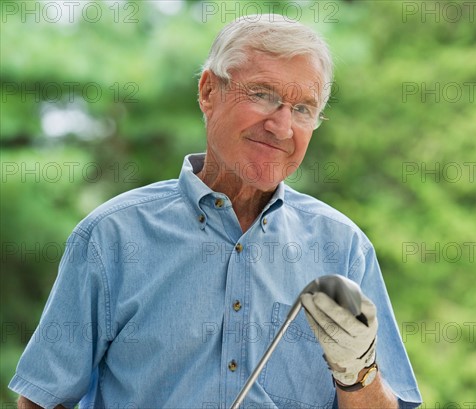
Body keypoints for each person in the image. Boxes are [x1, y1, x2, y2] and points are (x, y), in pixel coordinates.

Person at [10, 14, 422, 409]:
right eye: (264, 95)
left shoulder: (345, 247)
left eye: (303, 109)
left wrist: (359, 371)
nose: (281, 126)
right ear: (209, 91)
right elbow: (42, 398)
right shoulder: (111, 237)